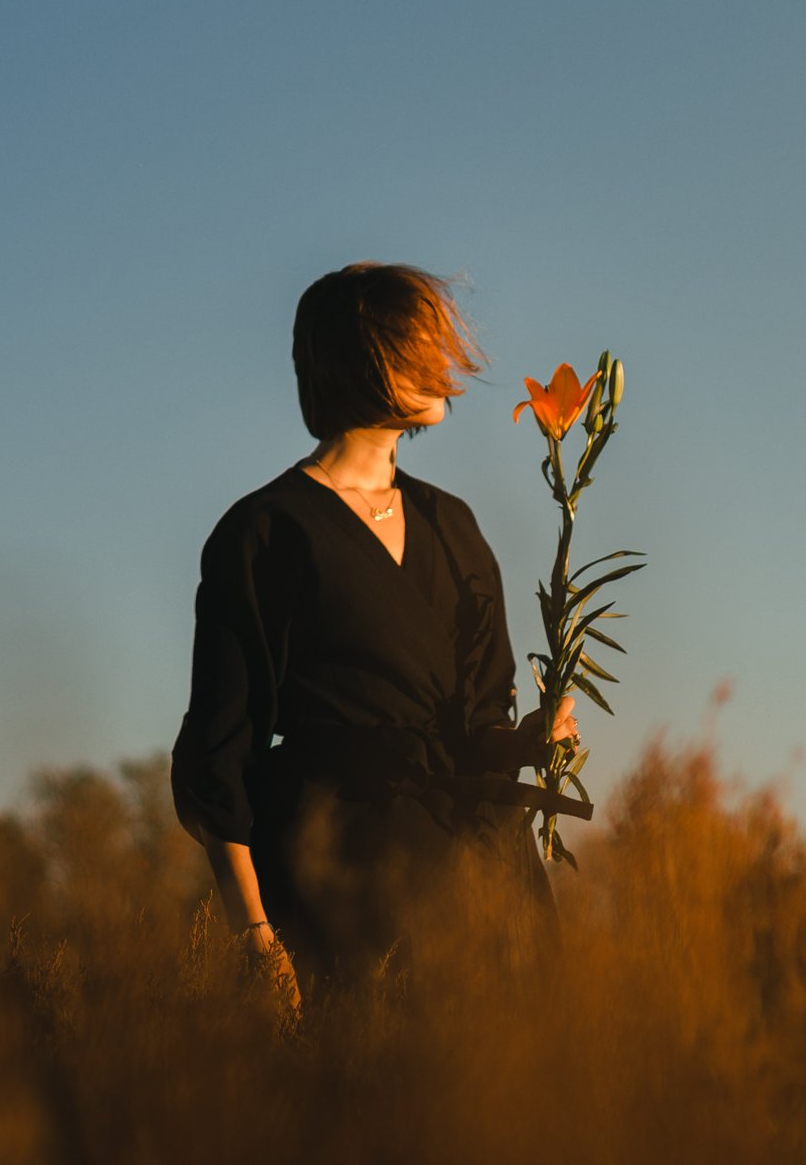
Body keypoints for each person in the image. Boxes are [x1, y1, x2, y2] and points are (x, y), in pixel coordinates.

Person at [169, 261, 585, 1014]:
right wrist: (257, 941)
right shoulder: (263, 533)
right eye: (421, 350)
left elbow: (476, 726)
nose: (447, 370)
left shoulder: (452, 525)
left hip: (486, 893)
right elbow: (216, 760)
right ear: (365, 363)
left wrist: (529, 738)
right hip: (341, 899)